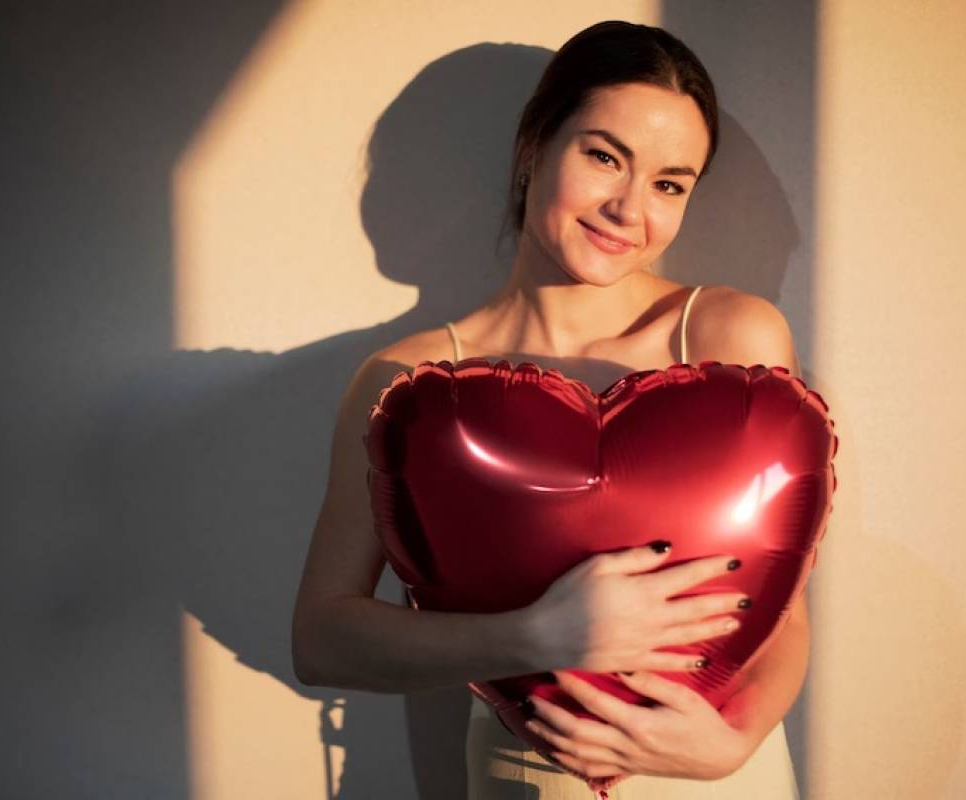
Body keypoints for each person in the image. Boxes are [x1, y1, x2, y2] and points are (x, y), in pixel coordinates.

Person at [292, 20, 806, 799]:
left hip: (718, 769)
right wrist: (530, 636)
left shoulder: (730, 338)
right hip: (523, 774)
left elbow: (785, 614)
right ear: (535, 145)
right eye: (604, 157)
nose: (629, 208)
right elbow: (322, 638)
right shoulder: (411, 382)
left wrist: (733, 744)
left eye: (670, 184)